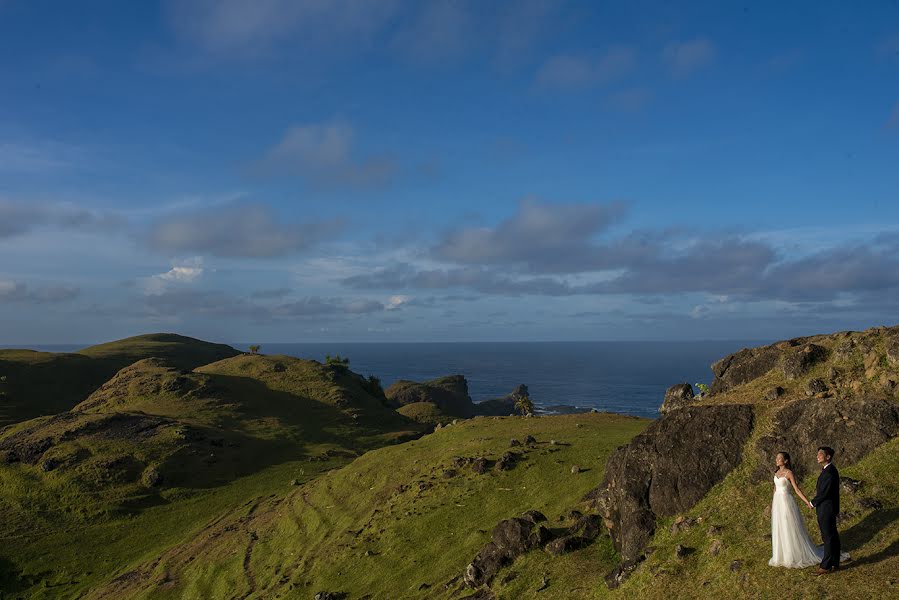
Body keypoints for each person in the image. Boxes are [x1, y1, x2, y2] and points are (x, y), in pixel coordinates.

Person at [768, 451, 824, 568]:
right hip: (778, 502)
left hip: (786, 502)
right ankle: (781, 555)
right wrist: (773, 505)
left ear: (786, 460)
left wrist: (807, 502)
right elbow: (775, 489)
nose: (777, 460)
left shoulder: (789, 473)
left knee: (789, 526)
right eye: (776, 458)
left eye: (780, 458)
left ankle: (792, 554)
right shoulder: (776, 473)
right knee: (779, 526)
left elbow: (796, 490)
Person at [808, 446, 842, 575]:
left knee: (827, 536)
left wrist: (813, 502)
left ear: (828, 457)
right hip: (828, 507)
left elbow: (825, 493)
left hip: (826, 508)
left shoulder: (829, 472)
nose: (817, 456)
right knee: (832, 535)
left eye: (820, 454)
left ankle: (826, 566)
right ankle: (834, 561)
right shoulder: (828, 470)